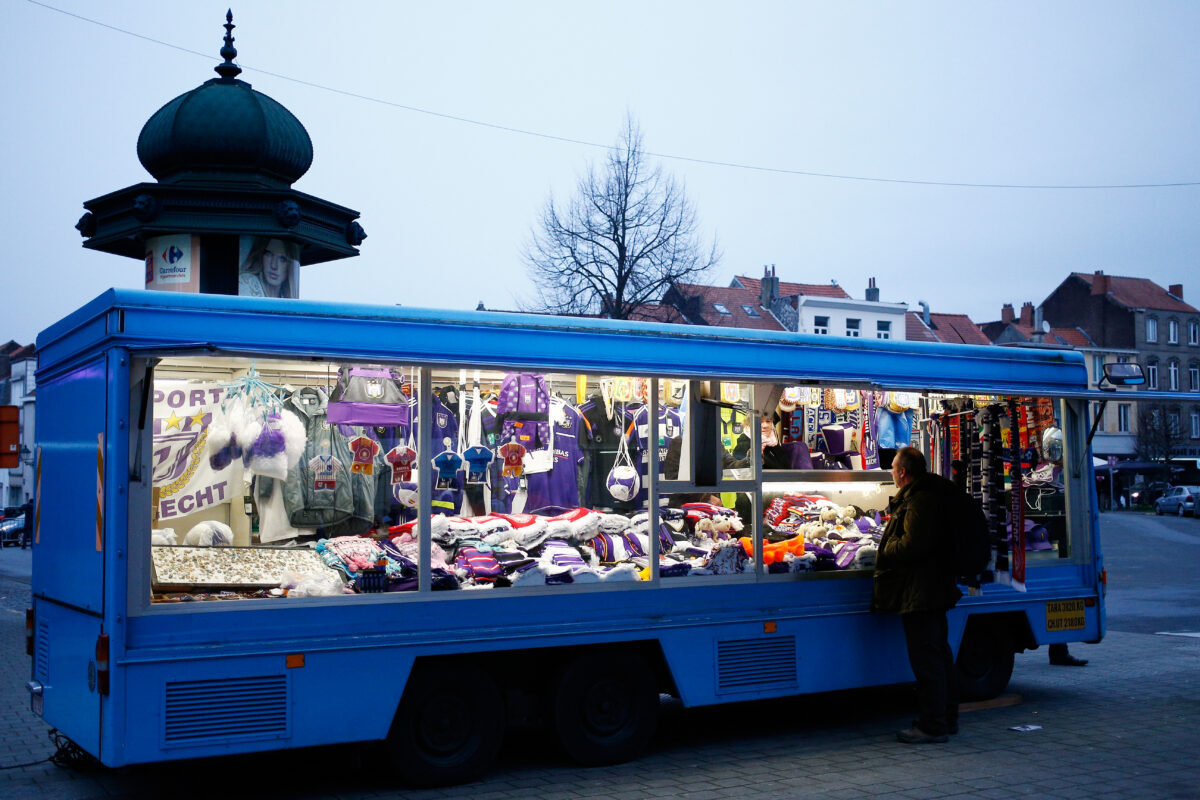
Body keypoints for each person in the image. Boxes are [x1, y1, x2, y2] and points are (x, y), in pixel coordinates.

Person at [872, 446, 962, 744]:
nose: (892, 473)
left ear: (902, 472)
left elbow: (912, 546)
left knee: (928, 660)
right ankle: (946, 718)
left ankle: (932, 725)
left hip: (921, 592)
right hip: (932, 588)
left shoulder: (920, 501)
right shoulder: (929, 494)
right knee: (939, 655)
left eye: (894, 468)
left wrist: (886, 548)